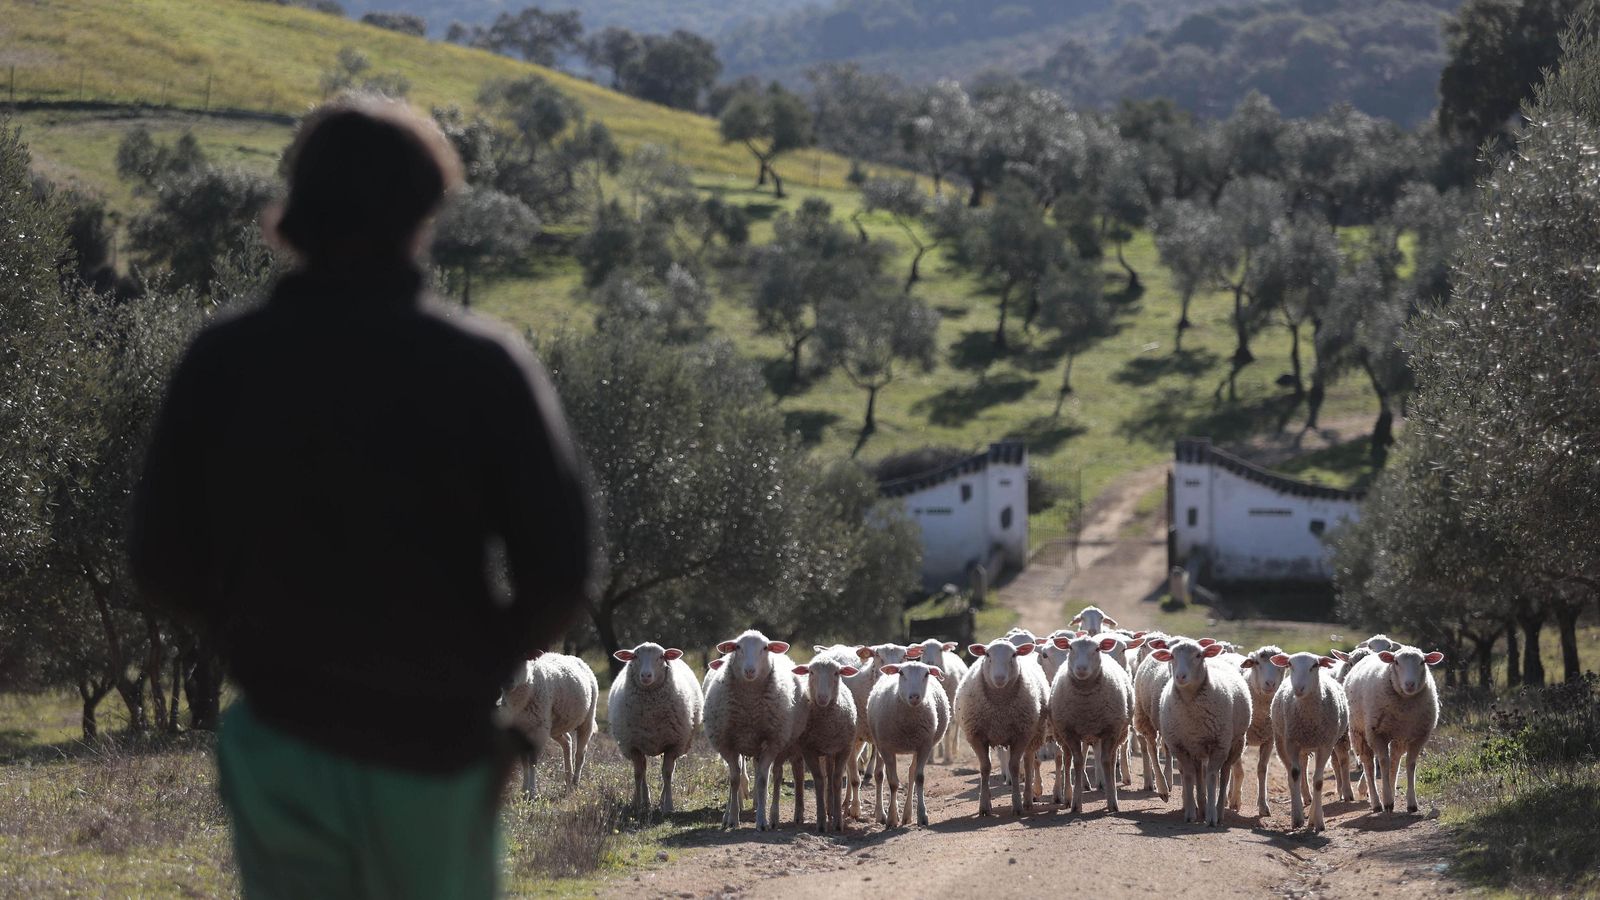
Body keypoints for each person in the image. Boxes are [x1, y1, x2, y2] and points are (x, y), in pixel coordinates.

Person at [129, 95, 597, 899]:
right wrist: (478, 666)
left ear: (297, 209)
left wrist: (253, 642)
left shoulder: (224, 361)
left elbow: (158, 558)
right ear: (426, 210)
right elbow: (562, 568)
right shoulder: (482, 365)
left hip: (281, 735)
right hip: (434, 744)